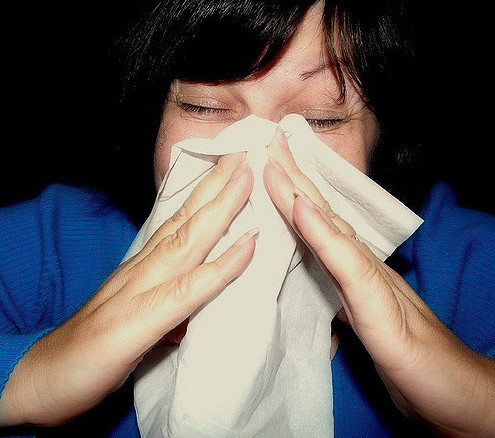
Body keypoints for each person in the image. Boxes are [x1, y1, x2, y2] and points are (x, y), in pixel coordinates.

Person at [0, 0, 494, 437]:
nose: (257, 156)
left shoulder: (457, 260)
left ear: (381, 139)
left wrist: (476, 404)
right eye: (205, 106)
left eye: (320, 118)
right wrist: (27, 380)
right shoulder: (53, 243)